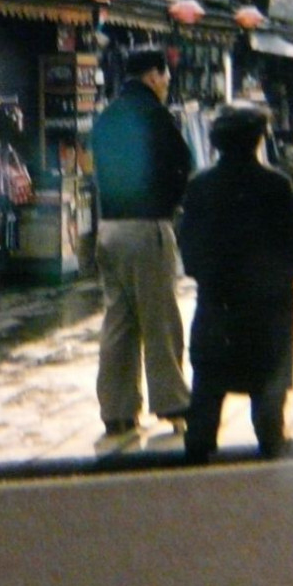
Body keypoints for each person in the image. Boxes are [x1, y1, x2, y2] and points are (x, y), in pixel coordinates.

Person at [178, 103, 293, 461]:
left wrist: (208, 276)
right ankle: (271, 437)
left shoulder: (200, 185)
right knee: (267, 375)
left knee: (209, 378)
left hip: (217, 300)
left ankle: (199, 442)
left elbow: (188, 247)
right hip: (268, 303)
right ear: (258, 140)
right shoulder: (276, 185)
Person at [91, 47, 194, 436]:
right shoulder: (156, 116)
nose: (167, 83)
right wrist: (172, 205)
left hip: (110, 228)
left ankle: (116, 410)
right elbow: (181, 167)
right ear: (153, 74)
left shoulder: (107, 117)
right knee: (160, 320)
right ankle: (174, 404)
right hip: (146, 227)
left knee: (118, 321)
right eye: (165, 75)